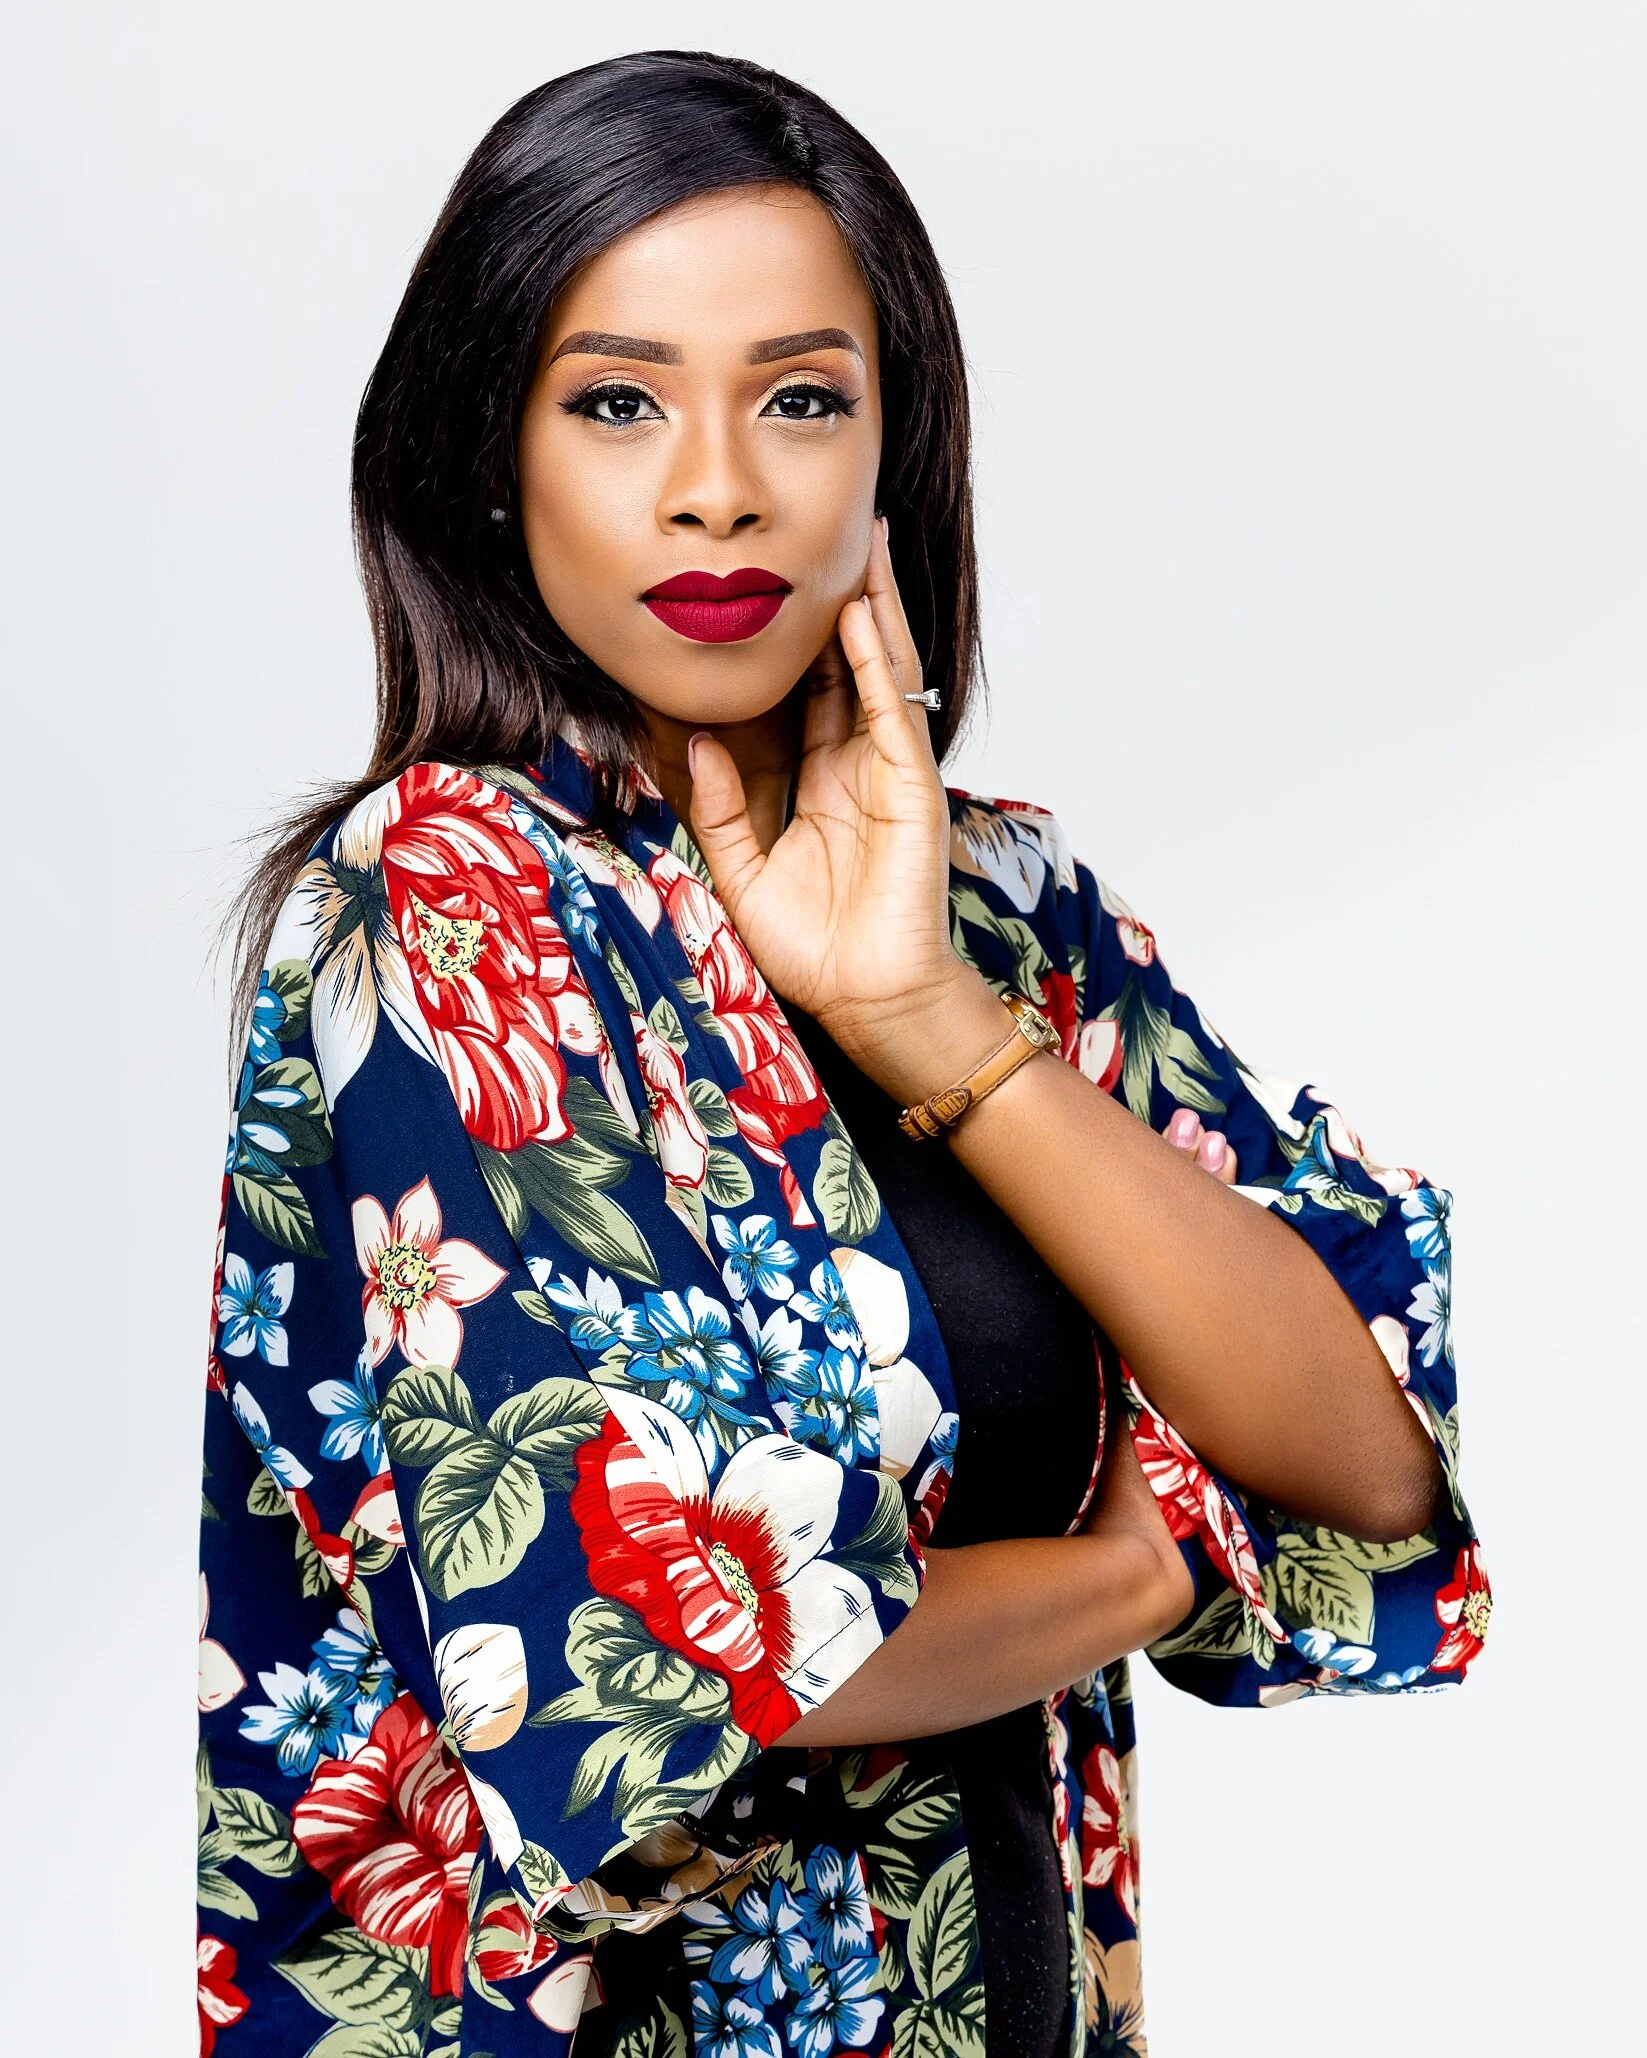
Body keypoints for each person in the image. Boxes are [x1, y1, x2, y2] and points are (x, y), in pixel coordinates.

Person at [195, 50, 1488, 2058]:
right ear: (485, 452)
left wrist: (930, 1020)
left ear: (898, 449)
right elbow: (667, 1654)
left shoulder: (1014, 908)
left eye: (800, 398)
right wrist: (1150, 1570)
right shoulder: (448, 894)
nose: (716, 484)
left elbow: (1372, 1458)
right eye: (616, 400)